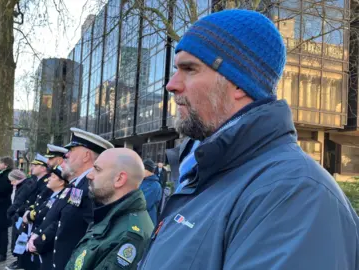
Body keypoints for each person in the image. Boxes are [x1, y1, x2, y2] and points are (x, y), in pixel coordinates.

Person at [138, 9, 359, 270]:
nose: (171, 84)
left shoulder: (295, 193)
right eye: (176, 69)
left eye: (189, 69)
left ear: (240, 83)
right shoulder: (205, 171)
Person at [35, 128, 114, 270]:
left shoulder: (93, 187)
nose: (66, 155)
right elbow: (64, 219)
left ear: (86, 156)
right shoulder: (78, 184)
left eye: (71, 150)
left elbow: (93, 236)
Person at [66, 148, 153, 270]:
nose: (89, 175)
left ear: (119, 179)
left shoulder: (128, 237)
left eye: (97, 169)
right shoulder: (110, 215)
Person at [6, 169, 32, 270]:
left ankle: (20, 260)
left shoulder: (24, 186)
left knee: (20, 238)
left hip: (21, 216)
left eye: (12, 180)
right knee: (17, 238)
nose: (11, 183)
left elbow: (18, 201)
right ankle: (18, 259)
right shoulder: (20, 186)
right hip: (18, 216)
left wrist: (10, 211)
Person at [140, 159, 162, 226]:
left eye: (142, 169)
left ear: (148, 170)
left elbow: (145, 204)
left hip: (147, 221)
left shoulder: (155, 185)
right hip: (138, 218)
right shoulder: (141, 181)